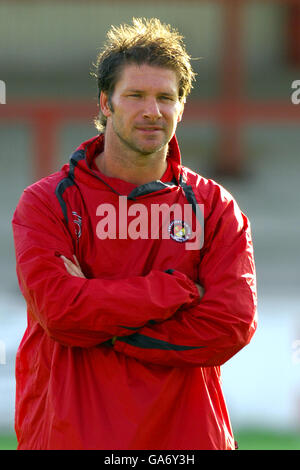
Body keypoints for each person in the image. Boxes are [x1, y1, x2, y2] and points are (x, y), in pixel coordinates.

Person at [12, 18, 257, 450]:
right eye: (136, 96)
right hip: (70, 435)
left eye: (166, 97)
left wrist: (100, 313)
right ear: (106, 103)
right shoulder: (47, 202)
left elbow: (229, 325)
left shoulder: (216, 207)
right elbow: (60, 313)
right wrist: (171, 291)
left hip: (187, 440)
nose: (152, 110)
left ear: (182, 107)